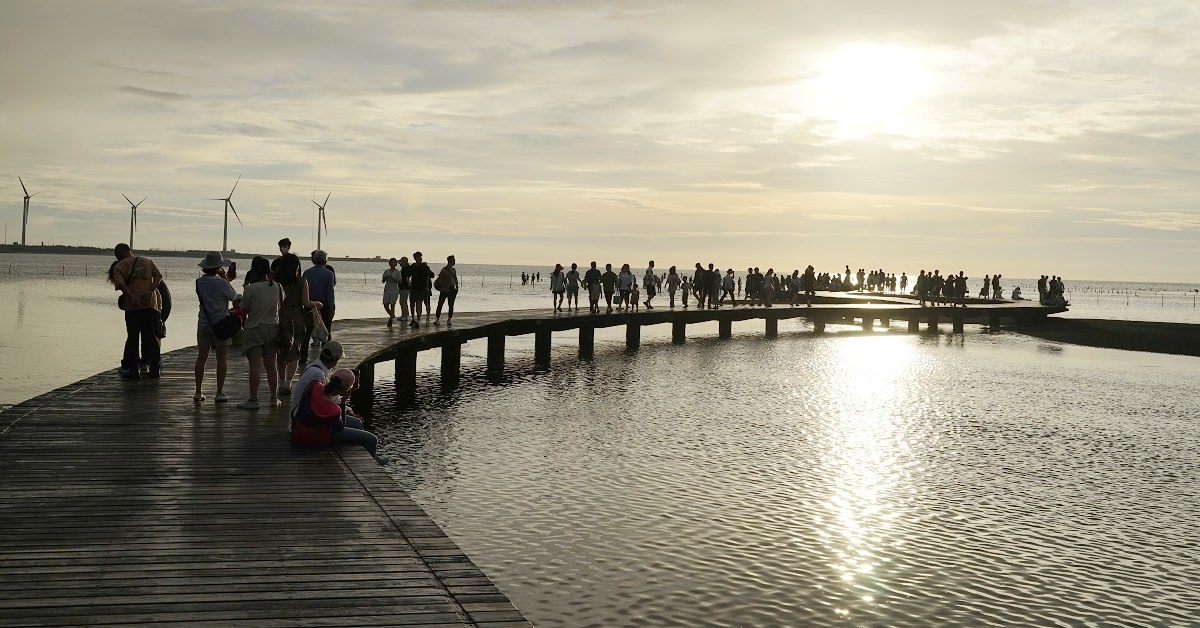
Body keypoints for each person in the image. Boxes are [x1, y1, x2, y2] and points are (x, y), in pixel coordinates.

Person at [289, 348, 387, 465]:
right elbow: (340, 427)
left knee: (357, 423)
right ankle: (372, 464)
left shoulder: (315, 386)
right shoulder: (334, 409)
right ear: (345, 390)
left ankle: (366, 455)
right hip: (320, 433)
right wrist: (344, 401)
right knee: (372, 439)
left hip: (305, 423)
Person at [108, 243, 164, 379]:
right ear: (129, 251)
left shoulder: (119, 267)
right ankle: (154, 369)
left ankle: (133, 369)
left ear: (118, 254)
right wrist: (149, 291)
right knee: (151, 337)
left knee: (133, 337)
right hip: (151, 304)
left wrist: (133, 297)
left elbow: (121, 286)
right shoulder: (147, 261)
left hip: (133, 307)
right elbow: (159, 277)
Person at [274, 252, 321, 397]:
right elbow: (305, 303)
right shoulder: (301, 281)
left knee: (281, 351)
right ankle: (288, 382)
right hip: (297, 319)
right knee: (294, 352)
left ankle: (281, 381)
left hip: (279, 317)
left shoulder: (276, 281)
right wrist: (317, 304)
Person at [238, 256, 282, 410]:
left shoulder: (251, 288)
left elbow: (245, 308)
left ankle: (253, 400)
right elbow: (280, 306)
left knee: (255, 367)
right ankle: (274, 398)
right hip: (273, 329)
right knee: (271, 365)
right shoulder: (278, 286)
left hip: (254, 329)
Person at [194, 252, 238, 403]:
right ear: (218, 267)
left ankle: (198, 392)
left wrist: (224, 280)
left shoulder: (199, 282)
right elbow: (234, 297)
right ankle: (219, 392)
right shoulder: (222, 283)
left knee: (202, 358)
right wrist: (226, 278)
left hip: (204, 324)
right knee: (222, 359)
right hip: (221, 325)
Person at [302, 250, 336, 345]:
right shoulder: (329, 273)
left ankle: (303, 354)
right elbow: (330, 292)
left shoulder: (307, 273)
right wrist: (331, 306)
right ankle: (325, 351)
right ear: (325, 261)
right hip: (324, 304)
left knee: (308, 330)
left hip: (309, 303)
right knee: (326, 330)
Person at [408, 251, 434, 328]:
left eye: (420, 257)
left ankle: (418, 320)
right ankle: (413, 318)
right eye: (418, 257)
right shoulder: (412, 266)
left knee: (419, 304)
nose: (420, 258)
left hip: (421, 288)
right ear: (415, 258)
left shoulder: (425, 267)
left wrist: (426, 287)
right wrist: (408, 283)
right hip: (413, 288)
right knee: (412, 304)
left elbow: (430, 276)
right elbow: (408, 276)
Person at [434, 254, 459, 325]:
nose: (455, 262)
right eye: (454, 260)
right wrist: (443, 287)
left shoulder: (453, 270)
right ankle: (437, 319)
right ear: (450, 261)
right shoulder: (444, 270)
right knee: (440, 304)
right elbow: (440, 279)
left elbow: (455, 278)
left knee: (451, 305)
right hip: (444, 290)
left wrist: (457, 287)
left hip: (452, 290)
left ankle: (449, 319)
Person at [381, 258, 403, 326]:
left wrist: (393, 278)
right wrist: (385, 278)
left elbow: (399, 281)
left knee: (392, 304)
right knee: (385, 304)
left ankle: (390, 319)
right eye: (391, 262)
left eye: (394, 262)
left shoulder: (397, 272)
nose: (393, 264)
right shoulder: (386, 271)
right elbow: (383, 281)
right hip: (387, 287)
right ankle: (392, 315)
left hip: (394, 287)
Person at [396, 256, 412, 323]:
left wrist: (408, 284)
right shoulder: (406, 268)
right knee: (402, 301)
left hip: (404, 287)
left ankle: (405, 315)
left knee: (403, 301)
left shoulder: (405, 269)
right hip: (403, 287)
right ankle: (403, 314)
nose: (400, 264)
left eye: (401, 262)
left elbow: (407, 277)